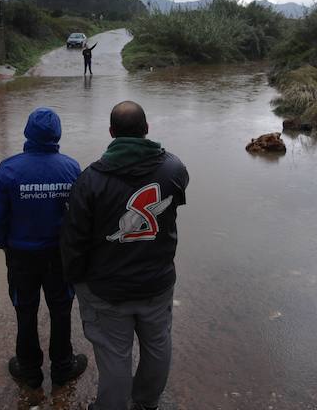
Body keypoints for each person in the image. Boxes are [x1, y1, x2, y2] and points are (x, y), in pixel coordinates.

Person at [61, 101, 189, 410]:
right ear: (147, 130)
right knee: (157, 344)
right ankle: (145, 403)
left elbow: (74, 240)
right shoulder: (173, 169)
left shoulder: (90, 180)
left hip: (107, 288)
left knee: (115, 354)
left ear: (111, 133)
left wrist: (76, 280)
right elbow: (173, 202)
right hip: (156, 283)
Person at [0, 107, 88, 391]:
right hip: (59, 254)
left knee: (25, 309)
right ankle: (62, 367)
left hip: (21, 255)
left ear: (28, 132)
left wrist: (4, 244)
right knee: (61, 308)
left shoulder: (9, 169)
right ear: (57, 134)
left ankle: (29, 370)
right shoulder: (71, 167)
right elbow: (79, 216)